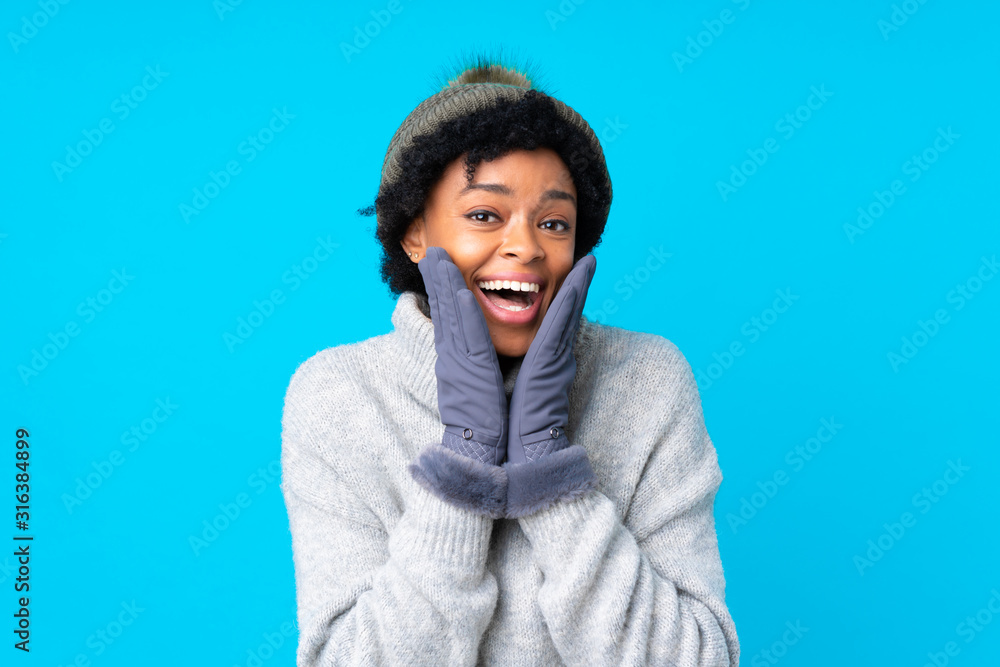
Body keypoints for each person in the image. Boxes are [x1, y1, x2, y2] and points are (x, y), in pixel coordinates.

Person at [280, 53, 740, 666]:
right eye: (483, 215)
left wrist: (550, 475)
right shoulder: (337, 396)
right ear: (415, 233)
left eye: (554, 222)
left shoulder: (647, 380)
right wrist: (462, 464)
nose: (525, 246)